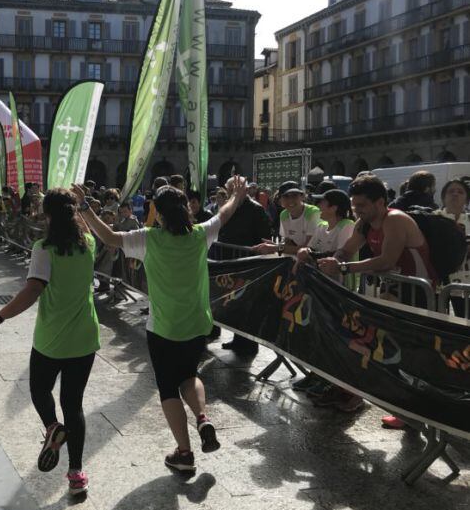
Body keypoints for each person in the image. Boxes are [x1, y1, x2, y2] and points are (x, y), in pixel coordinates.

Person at [73, 178, 248, 473]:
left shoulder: (148, 238)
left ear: (160, 213)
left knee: (168, 388)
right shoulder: (200, 234)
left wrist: (86, 207)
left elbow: (109, 237)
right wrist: (237, 196)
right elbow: (225, 214)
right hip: (197, 324)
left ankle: (184, 453)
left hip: (164, 328)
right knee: (189, 375)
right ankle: (203, 417)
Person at [0, 189, 100, 495]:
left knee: (38, 389)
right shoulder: (88, 243)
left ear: (47, 215)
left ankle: (52, 427)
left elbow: (33, 290)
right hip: (85, 338)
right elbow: (84, 227)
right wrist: (82, 205)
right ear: (73, 212)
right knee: (73, 405)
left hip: (52, 339)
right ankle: (76, 475)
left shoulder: (43, 248)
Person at [318, 175, 437, 429]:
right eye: (354, 204)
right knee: (376, 341)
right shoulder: (364, 222)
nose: (356, 210)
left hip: (418, 293)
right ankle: (368, 396)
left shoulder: (395, 220)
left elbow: (385, 260)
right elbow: (348, 248)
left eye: (361, 205)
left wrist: (343, 267)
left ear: (380, 202)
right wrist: (336, 258)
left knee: (406, 353)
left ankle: (412, 413)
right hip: (395, 290)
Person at [295, 190, 362, 413]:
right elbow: (311, 248)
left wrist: (310, 254)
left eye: (322, 203)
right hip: (320, 288)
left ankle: (338, 384)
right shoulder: (322, 226)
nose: (319, 206)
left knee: (338, 337)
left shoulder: (347, 226)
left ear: (333, 207)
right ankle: (319, 375)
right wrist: (305, 251)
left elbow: (339, 255)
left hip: (340, 290)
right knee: (318, 333)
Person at [214, 177, 272, 353]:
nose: (233, 193)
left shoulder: (256, 209)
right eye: (230, 189)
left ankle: (248, 344)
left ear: (246, 190)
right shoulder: (228, 208)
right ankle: (236, 339)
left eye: (236, 189)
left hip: (248, 265)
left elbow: (264, 237)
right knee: (232, 303)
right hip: (229, 263)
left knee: (246, 303)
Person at [255, 181, 320, 255]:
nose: (290, 200)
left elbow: (306, 249)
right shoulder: (284, 214)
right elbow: (288, 244)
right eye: (286, 196)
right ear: (280, 200)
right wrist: (275, 245)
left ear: (302, 197)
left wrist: (275, 247)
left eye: (294, 195)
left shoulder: (313, 212)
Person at [436, 179, 470, 317]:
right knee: (438, 323)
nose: (455, 194)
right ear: (443, 198)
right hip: (438, 282)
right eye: (451, 191)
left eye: (460, 192)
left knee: (465, 322)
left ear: (467, 200)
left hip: (465, 283)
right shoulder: (434, 219)